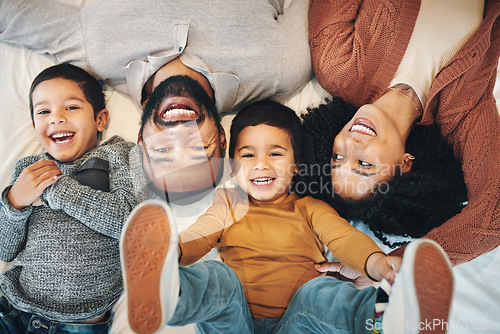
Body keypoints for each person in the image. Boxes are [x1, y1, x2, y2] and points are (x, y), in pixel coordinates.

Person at [119, 101, 454, 334]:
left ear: (295, 166)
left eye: (275, 154)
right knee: (217, 277)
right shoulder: (230, 201)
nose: (261, 164)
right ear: (234, 166)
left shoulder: (309, 208)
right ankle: (165, 292)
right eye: (247, 154)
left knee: (320, 293)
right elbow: (202, 234)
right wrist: (170, 253)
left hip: (301, 322)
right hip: (234, 321)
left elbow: (343, 238)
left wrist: (379, 265)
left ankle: (388, 318)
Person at [0, 0, 312, 198]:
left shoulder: (95, 52)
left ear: (140, 140)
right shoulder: (280, 68)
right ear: (220, 139)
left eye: (162, 151)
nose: (179, 131)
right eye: (198, 150)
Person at [302, 0, 500, 264]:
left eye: (337, 157)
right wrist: (398, 263)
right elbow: (493, 215)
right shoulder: (462, 112)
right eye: (363, 163)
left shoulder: (338, 68)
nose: (350, 143)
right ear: (405, 164)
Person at [0, 63, 140, 332]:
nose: (56, 118)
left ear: (100, 119)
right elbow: (6, 250)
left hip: (79, 325)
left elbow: (130, 223)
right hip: (15, 310)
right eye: (44, 111)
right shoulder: (28, 169)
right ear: (35, 125)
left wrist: (55, 189)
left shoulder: (120, 154)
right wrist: (15, 202)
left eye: (72, 107)